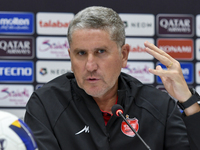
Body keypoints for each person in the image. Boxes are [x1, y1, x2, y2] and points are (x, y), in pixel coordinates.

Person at [25, 6, 200, 150]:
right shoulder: (46, 104)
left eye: (100, 52)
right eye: (81, 53)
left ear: (123, 55)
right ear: (70, 57)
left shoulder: (158, 105)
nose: (90, 66)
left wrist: (188, 101)